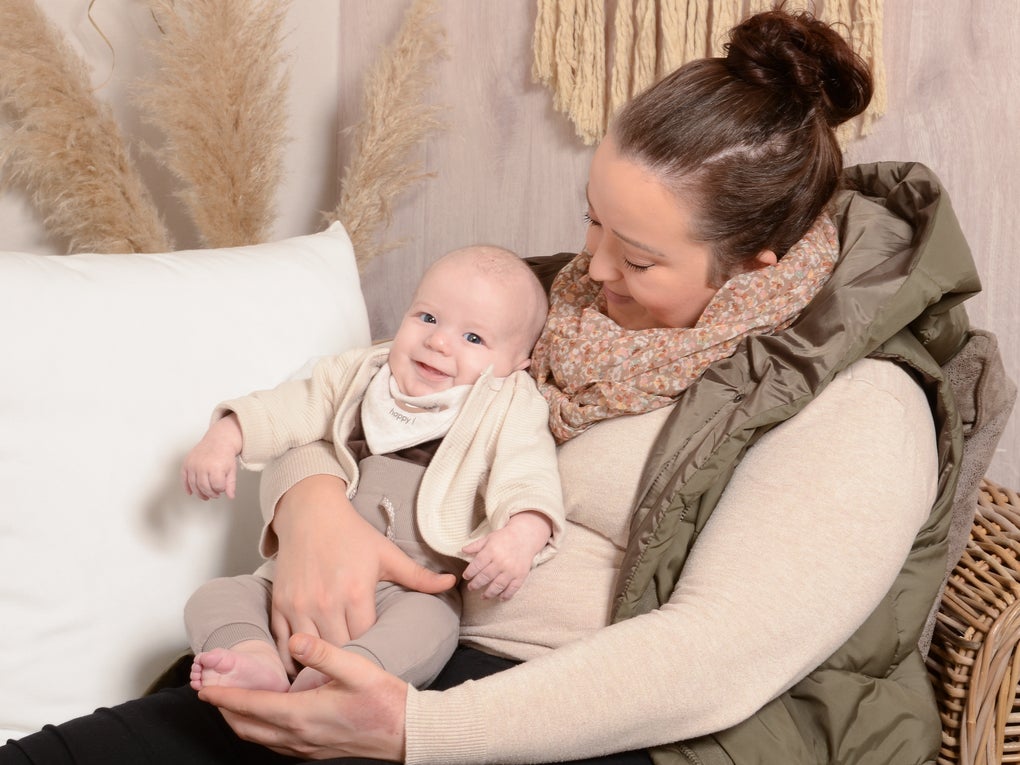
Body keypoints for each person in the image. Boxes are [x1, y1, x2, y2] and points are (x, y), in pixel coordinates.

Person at [0, 7, 983, 764]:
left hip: (572, 725)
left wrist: (412, 732)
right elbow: (361, 399)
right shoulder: (554, 305)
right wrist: (309, 503)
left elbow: (712, 660)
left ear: (757, 263)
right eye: (591, 219)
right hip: (390, 658)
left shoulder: (858, 405)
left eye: (637, 257)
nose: (592, 269)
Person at [180, 244, 564, 694]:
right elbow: (292, 406)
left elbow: (529, 471)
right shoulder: (363, 373)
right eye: (428, 317)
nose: (438, 342)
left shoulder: (509, 404)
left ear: (518, 363)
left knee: (430, 626)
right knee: (216, 596)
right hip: (304, 567)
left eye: (473, 338)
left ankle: (346, 674)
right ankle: (254, 656)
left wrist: (523, 533)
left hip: (411, 586)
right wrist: (227, 435)